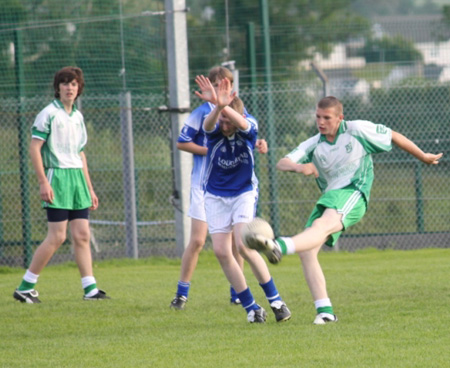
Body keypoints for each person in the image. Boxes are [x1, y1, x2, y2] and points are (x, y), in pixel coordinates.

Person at [244, 96, 443, 324]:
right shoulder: (314, 143)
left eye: (327, 118)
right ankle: (325, 312)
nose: (321, 122)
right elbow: (282, 162)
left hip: (354, 192)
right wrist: (300, 167)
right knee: (307, 251)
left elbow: (393, 135)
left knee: (319, 226)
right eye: (318, 116)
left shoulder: (357, 130)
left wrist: (423, 156)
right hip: (331, 197)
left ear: (340, 118)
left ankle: (279, 245)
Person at [170, 66, 267, 310]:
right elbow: (183, 143)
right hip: (204, 186)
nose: (225, 88)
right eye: (219, 84)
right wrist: (212, 149)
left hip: (232, 187)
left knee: (238, 243)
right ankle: (182, 293)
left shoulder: (235, 110)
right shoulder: (203, 113)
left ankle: (238, 292)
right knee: (198, 241)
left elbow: (248, 134)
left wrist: (259, 144)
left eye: (229, 83)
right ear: (210, 87)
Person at [199, 76, 291, 323]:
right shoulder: (215, 131)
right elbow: (207, 126)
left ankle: (277, 302)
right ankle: (252, 308)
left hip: (243, 192)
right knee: (220, 251)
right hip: (215, 195)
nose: (223, 122)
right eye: (222, 118)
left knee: (243, 245)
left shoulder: (249, 129)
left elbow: (244, 123)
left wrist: (224, 105)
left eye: (227, 118)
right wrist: (218, 107)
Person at [13, 66, 109, 303]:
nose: (69, 88)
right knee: (57, 236)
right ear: (58, 88)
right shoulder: (48, 113)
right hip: (57, 178)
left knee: (83, 234)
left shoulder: (77, 116)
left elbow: (80, 153)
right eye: (65, 83)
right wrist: (43, 181)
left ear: (79, 88)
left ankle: (90, 290)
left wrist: (89, 187)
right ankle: (25, 287)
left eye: (74, 84)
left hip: (77, 179)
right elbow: (35, 147)